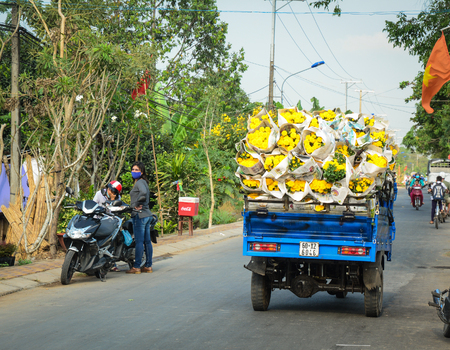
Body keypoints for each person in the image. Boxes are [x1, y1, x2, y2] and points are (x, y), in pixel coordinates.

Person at [126, 161, 153, 274]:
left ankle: (136, 266)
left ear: (142, 172)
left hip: (140, 215)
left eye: (137, 170)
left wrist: (136, 204)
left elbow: (143, 193)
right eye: (133, 169)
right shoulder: (143, 182)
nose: (134, 171)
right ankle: (148, 266)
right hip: (147, 215)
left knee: (139, 242)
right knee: (147, 241)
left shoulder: (139, 183)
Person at [93, 181, 123, 272]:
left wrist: (112, 200)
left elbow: (116, 210)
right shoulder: (99, 194)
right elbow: (93, 205)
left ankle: (111, 262)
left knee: (111, 240)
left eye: (114, 192)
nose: (110, 192)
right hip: (97, 221)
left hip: (109, 222)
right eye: (110, 190)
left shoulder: (118, 198)